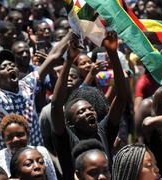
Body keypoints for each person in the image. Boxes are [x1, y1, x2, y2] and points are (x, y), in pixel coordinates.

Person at [51, 32, 127, 179]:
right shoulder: (67, 139)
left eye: (90, 109)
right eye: (80, 112)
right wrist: (69, 60)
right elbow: (56, 106)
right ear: (70, 123)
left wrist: (112, 54)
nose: (88, 113)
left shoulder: (103, 131)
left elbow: (122, 98)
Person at [0, 114, 57, 179]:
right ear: (3, 139)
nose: (15, 140)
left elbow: (52, 178)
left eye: (20, 135)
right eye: (10, 137)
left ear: (28, 134)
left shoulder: (41, 151)